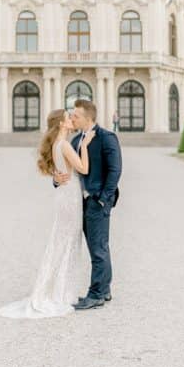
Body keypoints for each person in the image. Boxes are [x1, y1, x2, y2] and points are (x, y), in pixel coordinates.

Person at [0, 109, 95, 319]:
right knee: (66, 242)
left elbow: (63, 172)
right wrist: (85, 146)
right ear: (61, 124)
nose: (71, 120)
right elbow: (84, 169)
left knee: (62, 242)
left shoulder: (56, 145)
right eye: (69, 118)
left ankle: (59, 290)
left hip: (64, 195)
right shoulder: (65, 145)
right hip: (70, 198)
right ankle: (57, 292)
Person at [54, 99, 122, 311]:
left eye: (75, 116)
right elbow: (69, 169)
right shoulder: (75, 140)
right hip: (78, 203)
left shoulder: (106, 138)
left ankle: (96, 294)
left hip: (96, 201)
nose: (72, 118)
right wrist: (57, 179)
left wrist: (103, 198)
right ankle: (104, 289)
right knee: (98, 247)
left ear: (87, 118)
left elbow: (115, 170)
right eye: (72, 116)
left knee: (98, 248)